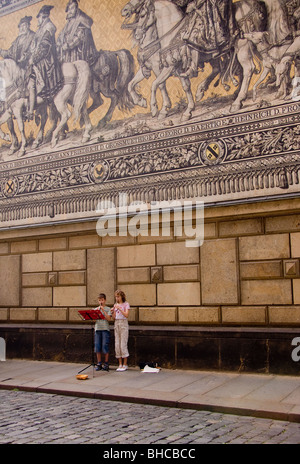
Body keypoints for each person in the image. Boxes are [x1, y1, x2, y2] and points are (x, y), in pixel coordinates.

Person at [27, 5, 63, 120]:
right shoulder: (40, 29)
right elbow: (34, 46)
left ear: (43, 16)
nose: (38, 20)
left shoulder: (48, 27)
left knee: (31, 83)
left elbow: (44, 47)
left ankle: (30, 112)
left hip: (46, 61)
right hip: (39, 59)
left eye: (39, 18)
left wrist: (34, 58)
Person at [57, 0, 98, 66]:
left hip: (78, 53)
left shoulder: (81, 21)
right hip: (68, 54)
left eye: (72, 8)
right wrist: (59, 44)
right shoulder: (69, 22)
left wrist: (68, 45)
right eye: (69, 9)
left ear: (76, 8)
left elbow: (79, 37)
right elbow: (61, 34)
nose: (70, 11)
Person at [111, 289, 130, 372]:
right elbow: (114, 317)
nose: (117, 298)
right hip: (117, 323)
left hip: (123, 324)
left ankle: (125, 364)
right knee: (117, 344)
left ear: (122, 296)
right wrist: (112, 312)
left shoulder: (126, 304)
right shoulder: (115, 304)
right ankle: (120, 364)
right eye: (116, 297)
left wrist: (120, 308)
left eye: (118, 296)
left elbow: (126, 315)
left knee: (123, 343)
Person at [94, 293, 112, 371]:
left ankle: (106, 363)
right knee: (97, 346)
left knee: (105, 346)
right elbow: (94, 320)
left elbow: (109, 319)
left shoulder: (108, 309)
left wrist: (103, 311)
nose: (101, 301)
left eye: (102, 300)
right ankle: (99, 363)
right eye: (99, 300)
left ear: (105, 300)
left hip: (105, 329)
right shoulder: (96, 309)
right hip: (97, 329)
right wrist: (97, 312)